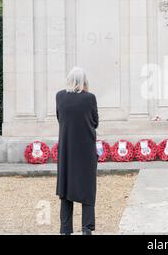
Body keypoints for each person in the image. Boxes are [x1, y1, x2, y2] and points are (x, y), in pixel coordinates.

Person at [56, 67, 99, 235]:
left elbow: (60, 119)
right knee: (87, 187)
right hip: (86, 149)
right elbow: (95, 121)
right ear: (84, 81)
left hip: (67, 149)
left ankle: (65, 229)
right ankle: (87, 228)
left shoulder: (60, 96)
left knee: (66, 188)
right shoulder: (90, 98)